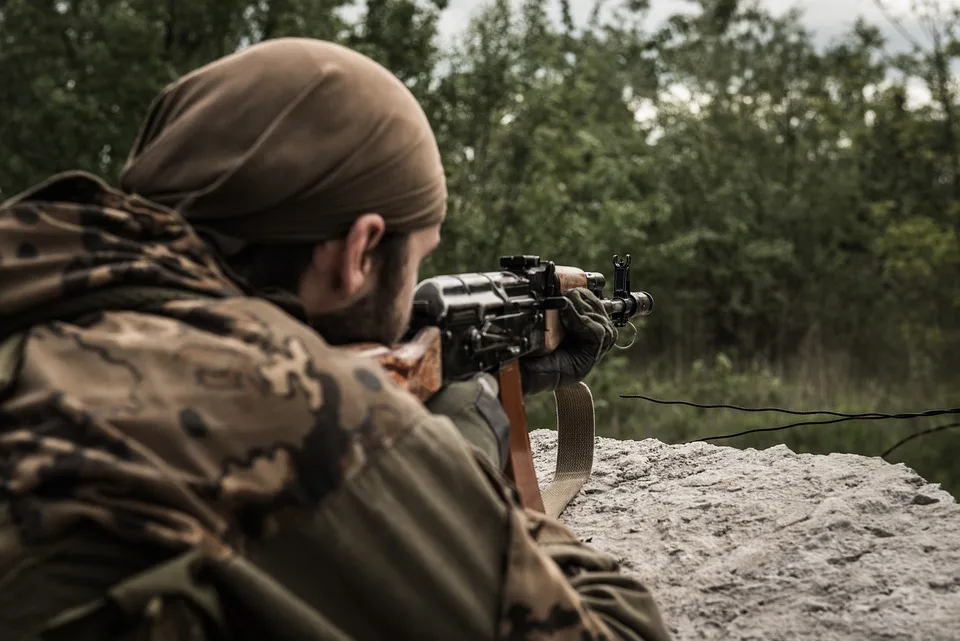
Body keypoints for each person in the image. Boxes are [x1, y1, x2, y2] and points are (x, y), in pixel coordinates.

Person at [0, 38, 672, 641]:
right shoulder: (295, 406)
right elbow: (620, 626)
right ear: (358, 252)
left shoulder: (37, 281)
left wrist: (487, 374)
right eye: (415, 262)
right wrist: (447, 432)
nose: (413, 290)